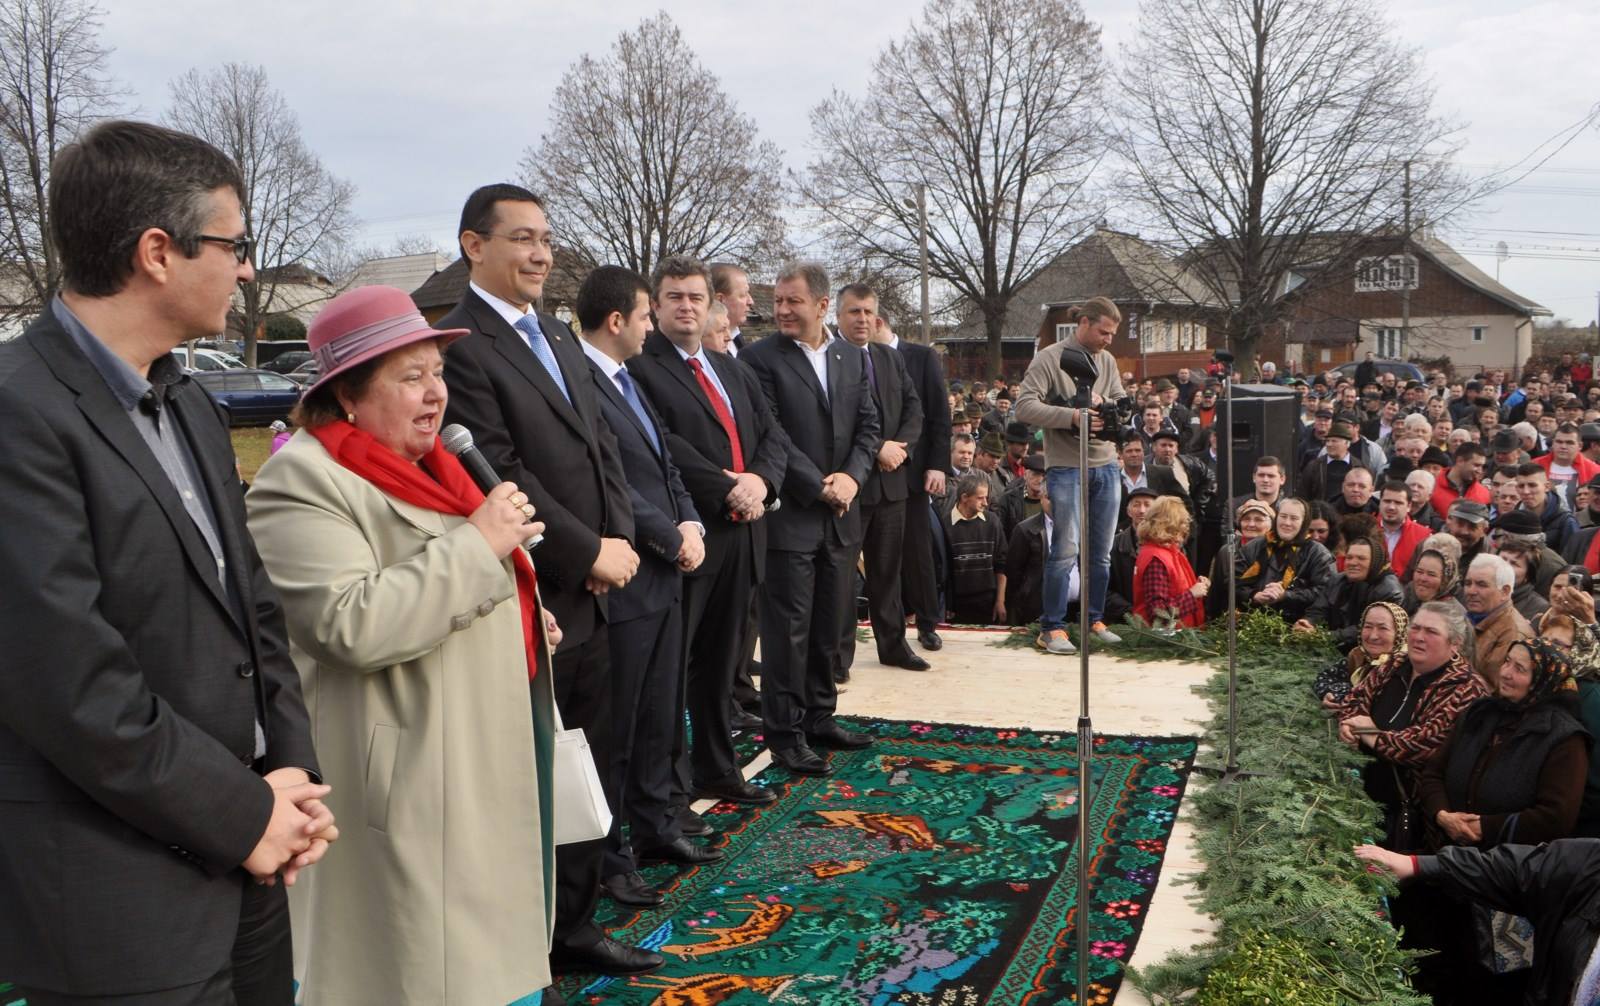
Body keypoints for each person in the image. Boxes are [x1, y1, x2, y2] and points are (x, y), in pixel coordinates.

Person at [0, 119, 329, 1005]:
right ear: (157, 252)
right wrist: (246, 816)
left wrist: (290, 774)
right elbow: (70, 685)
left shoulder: (185, 401)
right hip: (118, 898)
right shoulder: (17, 412)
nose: (248, 270)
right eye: (235, 245)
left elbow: (252, 606)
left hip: (250, 863)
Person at [246, 286, 557, 1002]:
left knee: (486, 965)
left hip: (479, 762)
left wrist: (515, 614)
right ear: (348, 396)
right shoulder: (301, 481)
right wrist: (480, 546)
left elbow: (451, 588)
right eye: (411, 377)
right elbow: (348, 624)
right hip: (407, 783)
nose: (436, 394)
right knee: (417, 972)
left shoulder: (437, 467)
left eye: (438, 373)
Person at [438, 183, 652, 976]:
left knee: (585, 764)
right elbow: (498, 469)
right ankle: (523, 949)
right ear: (474, 245)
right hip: (534, 590)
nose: (540, 254)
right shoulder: (461, 345)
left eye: (546, 239)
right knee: (527, 779)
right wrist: (583, 553)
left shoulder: (558, 337)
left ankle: (576, 927)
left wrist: (619, 540)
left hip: (597, 590)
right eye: (522, 238)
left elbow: (603, 447)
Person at [576, 264, 720, 906]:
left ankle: (658, 826)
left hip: (664, 574)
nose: (649, 327)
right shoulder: (583, 383)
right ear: (617, 321)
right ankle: (610, 858)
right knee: (619, 729)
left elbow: (664, 466)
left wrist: (689, 521)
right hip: (628, 578)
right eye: (643, 315)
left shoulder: (626, 377)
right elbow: (614, 486)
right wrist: (670, 536)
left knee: (661, 714)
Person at [624, 258, 789, 820]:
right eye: (674, 297)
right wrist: (730, 488)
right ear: (656, 305)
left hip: (746, 533)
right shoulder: (640, 369)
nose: (686, 307)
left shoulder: (729, 366)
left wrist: (761, 482)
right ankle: (670, 793)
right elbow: (664, 445)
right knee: (674, 671)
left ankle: (718, 767)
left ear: (711, 304)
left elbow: (772, 434)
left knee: (723, 664)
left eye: (696, 297)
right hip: (691, 534)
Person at [740, 261, 881, 777]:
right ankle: (784, 734)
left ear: (822, 305)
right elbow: (772, 433)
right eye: (778, 301)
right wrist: (821, 486)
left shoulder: (851, 356)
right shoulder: (760, 359)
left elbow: (869, 427)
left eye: (792, 301)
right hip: (792, 518)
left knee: (830, 625)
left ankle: (821, 717)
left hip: (842, 517)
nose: (781, 310)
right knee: (788, 632)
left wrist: (852, 479)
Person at [1411, 639, 1590, 999]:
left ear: (1543, 680)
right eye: (1506, 662)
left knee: (1487, 987)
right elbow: (1432, 774)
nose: (1506, 673)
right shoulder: (1480, 714)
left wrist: (1484, 828)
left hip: (1504, 891)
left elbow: (1556, 818)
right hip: (1446, 868)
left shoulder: (1563, 739)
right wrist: (1443, 815)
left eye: (1520, 669)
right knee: (1433, 967)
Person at [1014, 296, 1128, 655]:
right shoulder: (1049, 358)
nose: (1109, 340)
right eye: (1104, 332)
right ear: (1084, 323)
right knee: (1065, 550)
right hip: (1065, 466)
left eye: (1113, 334)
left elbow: (1121, 402)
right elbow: (1024, 406)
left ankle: (1093, 619)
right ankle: (1052, 627)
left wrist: (1107, 406)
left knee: (1102, 553)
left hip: (1105, 465)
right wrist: (1072, 417)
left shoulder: (1107, 360)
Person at [1336, 602, 1492, 851]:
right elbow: (1355, 700)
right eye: (1416, 628)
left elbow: (1422, 745)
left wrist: (1368, 732)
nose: (1418, 637)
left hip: (1414, 813)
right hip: (1364, 795)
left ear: (1455, 644)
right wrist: (1348, 724)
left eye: (1431, 632)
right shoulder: (1395, 664)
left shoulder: (1467, 689)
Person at [833, 284, 928, 672]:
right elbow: (835, 423)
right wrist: (877, 450)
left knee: (888, 572)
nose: (862, 319)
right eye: (854, 311)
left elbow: (914, 409)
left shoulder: (889, 358)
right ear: (837, 315)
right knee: (842, 577)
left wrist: (898, 449)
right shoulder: (829, 359)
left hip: (892, 486)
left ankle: (893, 647)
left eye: (868, 312)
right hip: (850, 487)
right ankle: (838, 656)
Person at [876, 312, 952, 653]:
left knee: (918, 551)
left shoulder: (922, 357)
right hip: (871, 471)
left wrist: (937, 465)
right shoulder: (855, 357)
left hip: (914, 472)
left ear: (879, 321)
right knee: (881, 556)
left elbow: (938, 416)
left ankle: (926, 622)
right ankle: (889, 628)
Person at [1234, 496, 1337, 622]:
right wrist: (1254, 595)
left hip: (1296, 626)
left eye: (1294, 518)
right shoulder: (1255, 546)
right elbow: (1233, 581)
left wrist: (1286, 596)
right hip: (1251, 621)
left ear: (1304, 522)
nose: (1287, 523)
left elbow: (1325, 592)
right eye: (1283, 516)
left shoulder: (1318, 554)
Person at [1298, 531, 1403, 650]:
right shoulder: (1337, 580)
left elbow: (1364, 629)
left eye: (1361, 558)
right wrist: (1306, 623)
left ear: (1375, 562)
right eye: (1349, 557)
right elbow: (1318, 609)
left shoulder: (1390, 591)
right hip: (1331, 646)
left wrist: (1324, 637)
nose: (1353, 563)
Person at [1132, 495, 1210, 629]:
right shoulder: (1156, 558)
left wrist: (1196, 586)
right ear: (1171, 525)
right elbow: (1158, 614)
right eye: (1182, 523)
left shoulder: (1167, 552)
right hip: (1166, 638)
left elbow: (1174, 588)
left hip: (1178, 634)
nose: (1185, 529)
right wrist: (1192, 595)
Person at [1314, 601, 1409, 708]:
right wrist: (1328, 694)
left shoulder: (1403, 668)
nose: (1373, 636)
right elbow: (1326, 677)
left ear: (1399, 633)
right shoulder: (1359, 655)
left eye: (1383, 628)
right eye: (1368, 626)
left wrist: (1341, 695)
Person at [1463, 553, 1533, 690]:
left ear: (1505, 591)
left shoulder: (1513, 634)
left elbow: (1498, 690)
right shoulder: (1472, 617)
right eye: (1468, 583)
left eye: (1481, 585)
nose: (1471, 591)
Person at [945, 473, 1008, 624]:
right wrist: (946, 603)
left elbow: (1002, 564)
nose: (986, 503)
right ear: (964, 497)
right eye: (980, 498)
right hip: (955, 605)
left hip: (988, 603)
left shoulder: (992, 522)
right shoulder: (945, 524)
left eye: (986, 497)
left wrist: (1000, 601)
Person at [1106, 486, 1159, 625]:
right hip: (1124, 623)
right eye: (1136, 505)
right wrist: (1131, 612)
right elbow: (1104, 589)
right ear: (1128, 511)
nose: (1142, 510)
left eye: (1147, 505)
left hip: (1162, 621)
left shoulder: (1168, 544)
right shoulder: (1114, 545)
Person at [1003, 487, 1052, 626]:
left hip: (1073, 608)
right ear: (1042, 499)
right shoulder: (1024, 530)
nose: (1054, 502)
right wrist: (1025, 593)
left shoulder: (1080, 526)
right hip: (1035, 608)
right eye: (1049, 498)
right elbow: (1013, 572)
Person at [1377, 479, 1430, 581]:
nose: (1391, 507)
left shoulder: (1424, 537)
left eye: (1398, 503)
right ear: (1380, 503)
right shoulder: (1365, 529)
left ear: (1409, 506)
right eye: (1387, 501)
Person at [1402, 537, 1465, 616]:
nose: (1423, 578)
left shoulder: (1455, 614)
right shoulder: (1408, 594)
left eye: (1431, 574)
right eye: (1419, 571)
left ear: (1445, 579)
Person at [1432, 442, 1491, 517]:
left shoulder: (1484, 494)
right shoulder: (1432, 487)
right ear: (1460, 461)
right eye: (1476, 465)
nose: (1480, 471)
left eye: (1482, 466)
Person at [710, 261, 756, 356]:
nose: (751, 301)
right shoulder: (707, 346)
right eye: (743, 295)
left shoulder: (737, 338)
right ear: (720, 299)